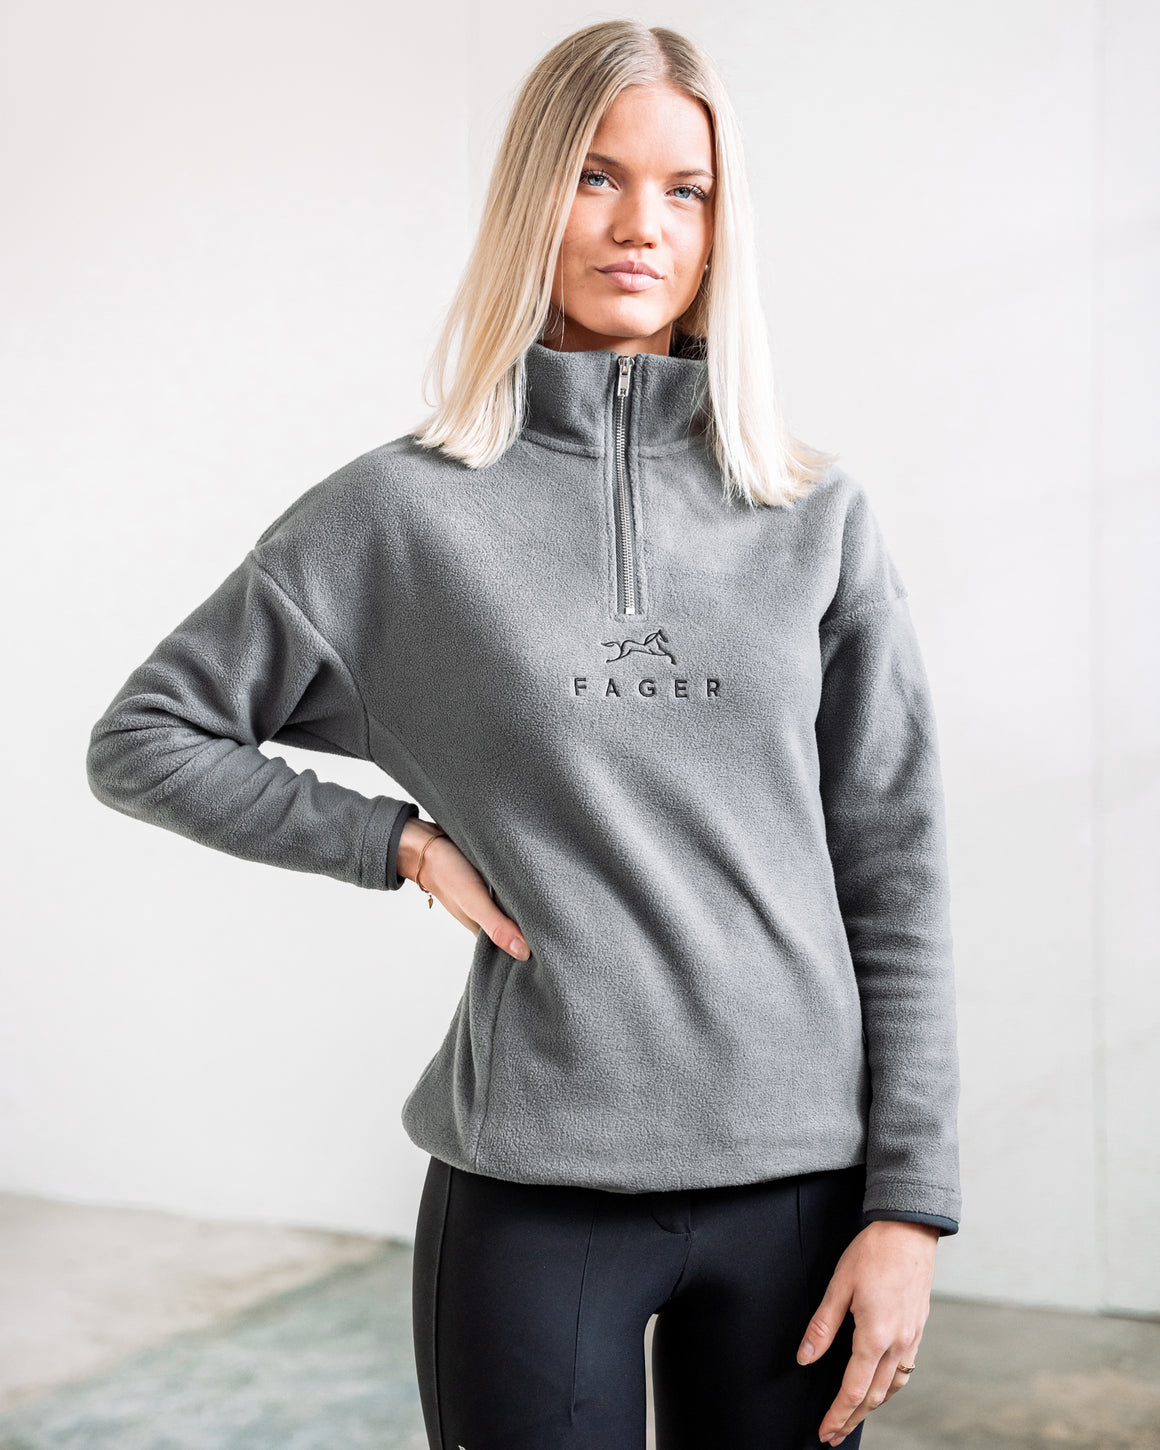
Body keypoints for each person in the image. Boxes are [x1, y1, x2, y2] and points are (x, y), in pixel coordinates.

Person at [86, 19, 961, 1450]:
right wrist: (398, 843)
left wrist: (911, 1205)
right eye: (596, 177)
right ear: (532, 199)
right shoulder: (402, 513)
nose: (641, 224)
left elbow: (897, 870)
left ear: (722, 227)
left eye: (687, 190)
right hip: (532, 1187)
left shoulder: (816, 516)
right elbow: (148, 735)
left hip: (803, 1190)